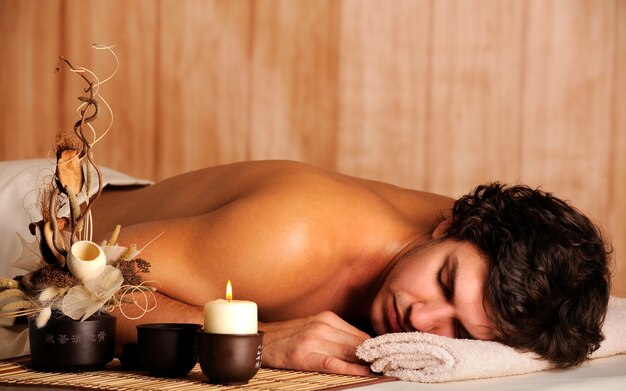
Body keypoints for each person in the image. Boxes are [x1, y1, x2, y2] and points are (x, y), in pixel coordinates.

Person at [87, 160, 611, 376]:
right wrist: (260, 340)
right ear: (447, 224)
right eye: (444, 282)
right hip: (35, 221)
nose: (422, 319)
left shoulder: (492, 243)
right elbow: (74, 283)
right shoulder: (291, 238)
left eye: (459, 330)